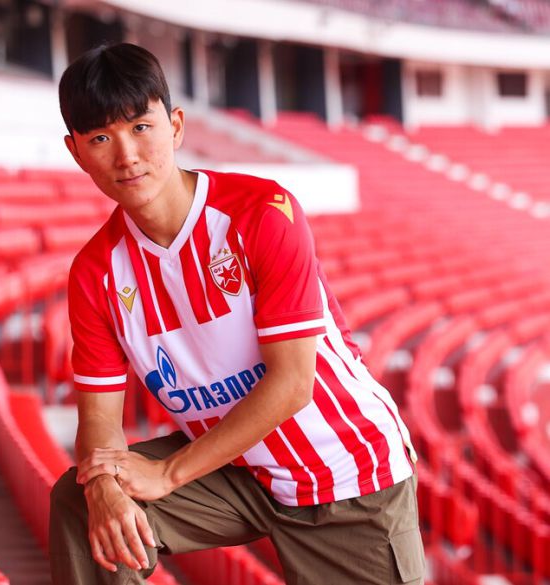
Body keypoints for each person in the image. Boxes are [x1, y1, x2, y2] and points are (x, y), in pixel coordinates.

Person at [49, 42, 424, 585]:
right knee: (83, 501)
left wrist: (168, 473)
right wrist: (105, 484)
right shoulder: (95, 273)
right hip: (234, 469)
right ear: (76, 152)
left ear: (176, 126)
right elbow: (100, 421)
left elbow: (292, 384)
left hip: (342, 472)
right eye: (100, 138)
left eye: (141, 127)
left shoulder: (261, 214)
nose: (126, 155)